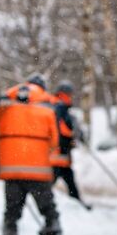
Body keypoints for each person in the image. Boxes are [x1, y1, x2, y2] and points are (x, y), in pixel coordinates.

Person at [0, 74, 75, 235]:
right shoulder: (48, 105)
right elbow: (56, 139)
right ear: (42, 87)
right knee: (49, 210)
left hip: (11, 171)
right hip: (39, 171)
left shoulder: (5, 102)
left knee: (11, 214)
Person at [50, 80, 90, 209]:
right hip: (57, 155)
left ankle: (77, 204)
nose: (71, 97)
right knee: (48, 185)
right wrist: (75, 132)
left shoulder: (59, 108)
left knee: (68, 181)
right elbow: (63, 129)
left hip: (62, 155)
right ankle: (76, 203)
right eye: (70, 94)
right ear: (64, 94)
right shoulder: (59, 107)